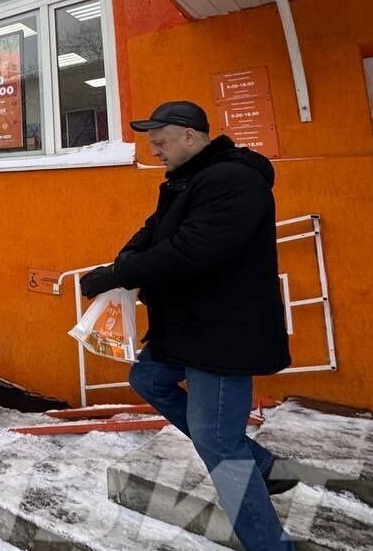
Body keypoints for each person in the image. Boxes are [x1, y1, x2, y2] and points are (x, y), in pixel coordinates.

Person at [80, 101, 294, 551]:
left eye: (160, 142)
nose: (154, 150)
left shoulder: (234, 182)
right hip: (189, 326)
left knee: (218, 442)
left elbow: (189, 251)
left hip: (223, 332)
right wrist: (124, 260)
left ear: (191, 137)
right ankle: (264, 465)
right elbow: (155, 231)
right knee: (148, 377)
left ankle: (270, 544)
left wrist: (121, 275)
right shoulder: (189, 180)